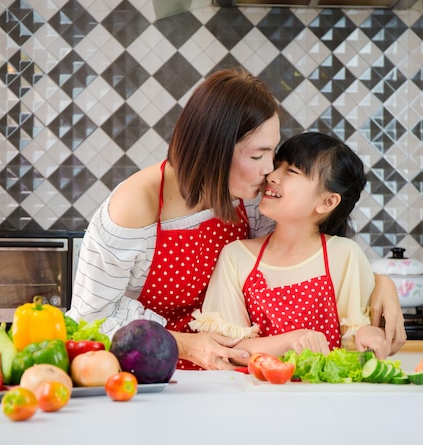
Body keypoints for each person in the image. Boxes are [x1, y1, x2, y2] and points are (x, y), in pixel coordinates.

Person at [67, 67, 405, 370]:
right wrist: (182, 343)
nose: (270, 170)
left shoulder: (250, 197)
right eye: (258, 155)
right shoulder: (134, 207)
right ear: (214, 150)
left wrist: (382, 285)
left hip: (230, 374)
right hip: (148, 375)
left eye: (272, 152)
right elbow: (89, 321)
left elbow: (305, 252)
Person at [190, 131, 391, 362]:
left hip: (326, 397)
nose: (271, 175)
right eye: (277, 166)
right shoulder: (236, 256)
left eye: (291, 171)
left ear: (327, 201)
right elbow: (228, 351)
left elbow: (354, 342)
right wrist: (291, 340)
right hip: (255, 393)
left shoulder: (345, 255)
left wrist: (369, 334)